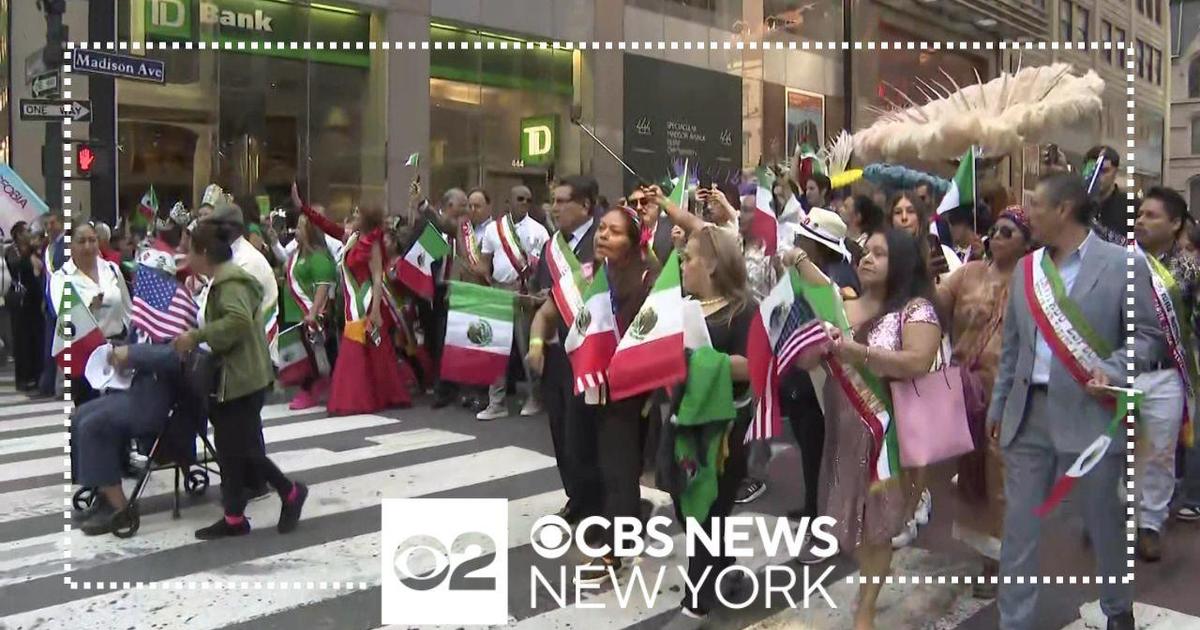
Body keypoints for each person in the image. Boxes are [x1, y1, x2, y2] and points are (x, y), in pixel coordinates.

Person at [989, 173, 1161, 630]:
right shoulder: (1027, 270)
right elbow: (1012, 348)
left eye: (1035, 205)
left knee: (1104, 520)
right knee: (1019, 529)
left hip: (1091, 414)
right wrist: (998, 406)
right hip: (1028, 416)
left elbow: (1147, 336)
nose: (1028, 214)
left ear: (1064, 209)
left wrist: (1116, 368)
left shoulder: (1123, 264)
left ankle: (1116, 607)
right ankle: (1015, 621)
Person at [809, 228, 942, 630]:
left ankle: (865, 610)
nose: (866, 258)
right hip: (841, 431)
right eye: (865, 252)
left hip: (891, 435)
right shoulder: (842, 306)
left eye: (879, 254)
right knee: (849, 522)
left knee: (878, 530)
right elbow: (817, 362)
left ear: (899, 263)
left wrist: (858, 351)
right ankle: (865, 589)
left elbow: (918, 361)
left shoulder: (916, 310)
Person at [531, 204, 658, 581]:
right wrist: (537, 344)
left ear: (635, 244)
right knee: (581, 459)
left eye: (615, 232)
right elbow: (545, 314)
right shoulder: (586, 276)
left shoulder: (652, 283)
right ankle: (624, 520)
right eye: (601, 228)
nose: (603, 235)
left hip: (629, 392)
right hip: (586, 385)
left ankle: (615, 554)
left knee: (619, 470)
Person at [172, 221, 308, 540]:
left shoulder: (231, 283)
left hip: (242, 377)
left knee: (244, 449)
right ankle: (234, 517)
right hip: (229, 377)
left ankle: (290, 492)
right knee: (230, 449)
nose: (185, 253)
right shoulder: (218, 281)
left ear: (203, 252)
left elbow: (237, 321)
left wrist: (196, 336)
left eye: (189, 248)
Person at [935, 205, 1032, 598]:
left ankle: (1001, 559)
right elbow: (936, 302)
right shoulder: (970, 272)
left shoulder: (1036, 280)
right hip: (967, 390)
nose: (997, 236)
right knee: (972, 472)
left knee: (1001, 474)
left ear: (1027, 242)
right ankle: (985, 552)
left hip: (1011, 392)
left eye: (1008, 232)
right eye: (994, 230)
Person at [663, 225, 756, 630]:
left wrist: (700, 359)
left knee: (708, 508)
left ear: (714, 264)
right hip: (680, 419)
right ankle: (721, 566)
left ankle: (695, 605)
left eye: (689, 257)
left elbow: (753, 367)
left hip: (723, 426)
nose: (682, 263)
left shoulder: (744, 310)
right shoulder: (679, 306)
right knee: (685, 503)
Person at [769, 208, 861, 516]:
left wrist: (796, 259)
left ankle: (823, 513)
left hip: (821, 380)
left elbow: (827, 296)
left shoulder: (831, 280)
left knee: (821, 450)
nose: (796, 242)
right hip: (798, 375)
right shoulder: (800, 276)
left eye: (804, 240)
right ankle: (813, 506)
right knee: (809, 450)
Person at [525, 175, 602, 526]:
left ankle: (597, 501)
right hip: (557, 349)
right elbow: (545, 290)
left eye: (561, 201)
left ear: (585, 206)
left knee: (586, 430)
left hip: (591, 350)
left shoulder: (604, 239)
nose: (553, 208)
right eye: (553, 201)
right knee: (560, 428)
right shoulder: (552, 246)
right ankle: (575, 495)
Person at [297, 196, 414, 415]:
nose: (354, 217)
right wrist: (303, 207)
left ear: (367, 219)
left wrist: (377, 310)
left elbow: (378, 277)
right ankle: (383, 392)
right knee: (376, 348)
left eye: (358, 214)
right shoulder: (353, 239)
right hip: (354, 301)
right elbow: (328, 226)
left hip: (368, 302)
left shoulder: (373, 241)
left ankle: (357, 397)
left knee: (363, 347)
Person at [1131, 187, 1199, 562]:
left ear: (1175, 224)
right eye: (1139, 214)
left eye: (1152, 215)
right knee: (1117, 451)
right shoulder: (1120, 263)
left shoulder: (1189, 269)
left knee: (1158, 453)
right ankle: (1115, 517)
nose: (1141, 220)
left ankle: (1150, 525)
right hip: (1119, 371)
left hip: (1167, 376)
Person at [70, 343, 188, 536]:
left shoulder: (182, 318)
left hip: (158, 401)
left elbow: (176, 356)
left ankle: (119, 507)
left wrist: (132, 353)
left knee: (95, 425)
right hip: (137, 390)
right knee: (80, 416)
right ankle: (102, 490)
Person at [475, 185, 550, 420]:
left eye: (528, 199)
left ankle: (535, 397)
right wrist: (485, 281)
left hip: (524, 292)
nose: (524, 202)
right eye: (520, 198)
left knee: (527, 347)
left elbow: (545, 266)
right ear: (508, 201)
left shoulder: (539, 231)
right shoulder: (492, 231)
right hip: (499, 291)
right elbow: (485, 262)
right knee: (495, 350)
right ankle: (496, 402)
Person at [49, 223, 132, 407]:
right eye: (81, 241)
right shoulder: (61, 277)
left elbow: (128, 310)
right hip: (85, 352)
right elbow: (63, 316)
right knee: (89, 414)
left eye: (92, 240)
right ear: (70, 246)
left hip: (116, 349)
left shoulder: (111, 269)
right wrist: (88, 307)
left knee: (118, 410)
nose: (88, 246)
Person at [282, 211, 338, 411]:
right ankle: (318, 384)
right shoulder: (297, 254)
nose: (296, 230)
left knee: (316, 355)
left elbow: (323, 286)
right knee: (305, 355)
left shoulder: (319, 256)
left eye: (301, 226)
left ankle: (313, 387)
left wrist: (313, 313)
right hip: (295, 313)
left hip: (311, 314)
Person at [890, 190, 960, 282]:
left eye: (910, 211)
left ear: (920, 218)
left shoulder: (945, 253)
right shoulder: (883, 256)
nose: (904, 217)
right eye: (898, 212)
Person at [33, 212, 66, 399]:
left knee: (60, 347)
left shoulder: (66, 245)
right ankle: (46, 386)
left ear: (61, 223)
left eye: (52, 223)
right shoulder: (49, 247)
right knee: (49, 347)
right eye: (46, 223)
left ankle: (58, 387)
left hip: (62, 302)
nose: (49, 227)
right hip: (50, 303)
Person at [1085, 145, 1126, 245]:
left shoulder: (1130, 206)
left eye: (1104, 171)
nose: (1098, 177)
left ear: (1115, 172)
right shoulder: (1077, 204)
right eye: (1092, 171)